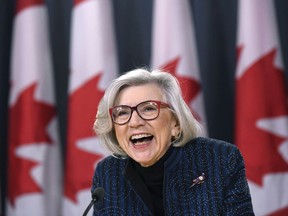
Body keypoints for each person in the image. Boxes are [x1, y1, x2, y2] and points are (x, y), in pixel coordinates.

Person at [92, 68, 254, 215]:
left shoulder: (219, 160)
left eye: (148, 108)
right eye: (122, 113)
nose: (134, 122)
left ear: (175, 123)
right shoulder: (107, 173)